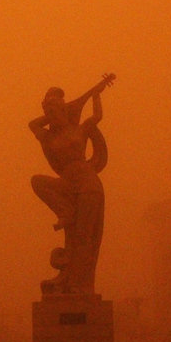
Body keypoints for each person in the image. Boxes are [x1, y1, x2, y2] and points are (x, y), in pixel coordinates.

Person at [28, 74, 113, 294]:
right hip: (67, 184)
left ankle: (79, 284)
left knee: (82, 237)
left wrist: (95, 95)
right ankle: (64, 211)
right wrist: (53, 110)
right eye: (48, 111)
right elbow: (32, 124)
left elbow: (97, 116)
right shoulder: (47, 137)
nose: (51, 115)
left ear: (64, 111)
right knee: (37, 182)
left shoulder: (80, 129)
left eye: (55, 110)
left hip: (87, 185)